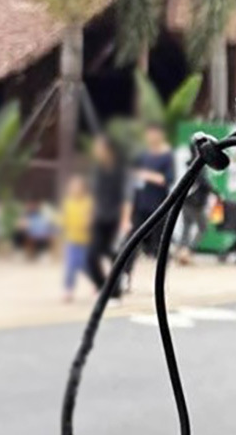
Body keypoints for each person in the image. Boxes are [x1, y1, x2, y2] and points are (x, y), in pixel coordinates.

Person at [118, 122, 175, 291]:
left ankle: (159, 281)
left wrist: (147, 175)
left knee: (160, 246)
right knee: (131, 243)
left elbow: (167, 179)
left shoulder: (166, 156)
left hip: (159, 208)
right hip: (140, 206)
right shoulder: (141, 155)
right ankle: (125, 276)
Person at [86, 135, 125, 292]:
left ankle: (116, 290)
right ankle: (103, 286)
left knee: (114, 254)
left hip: (115, 218)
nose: (96, 151)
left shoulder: (120, 170)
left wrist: (125, 220)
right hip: (99, 218)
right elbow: (93, 195)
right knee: (91, 255)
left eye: (99, 147)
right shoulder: (97, 170)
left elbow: (127, 198)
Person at [60, 175, 93, 302]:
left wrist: (88, 222)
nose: (74, 189)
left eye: (77, 187)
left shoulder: (88, 202)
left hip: (85, 239)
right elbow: (64, 220)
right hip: (71, 239)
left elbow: (91, 218)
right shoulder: (68, 203)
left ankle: (97, 282)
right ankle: (68, 289)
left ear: (83, 188)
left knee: (85, 265)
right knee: (71, 265)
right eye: (72, 187)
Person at [177, 167, 211, 264]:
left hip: (186, 203)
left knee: (186, 228)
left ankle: (181, 251)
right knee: (203, 228)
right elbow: (207, 186)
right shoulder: (201, 173)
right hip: (196, 206)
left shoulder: (189, 172)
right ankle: (188, 250)